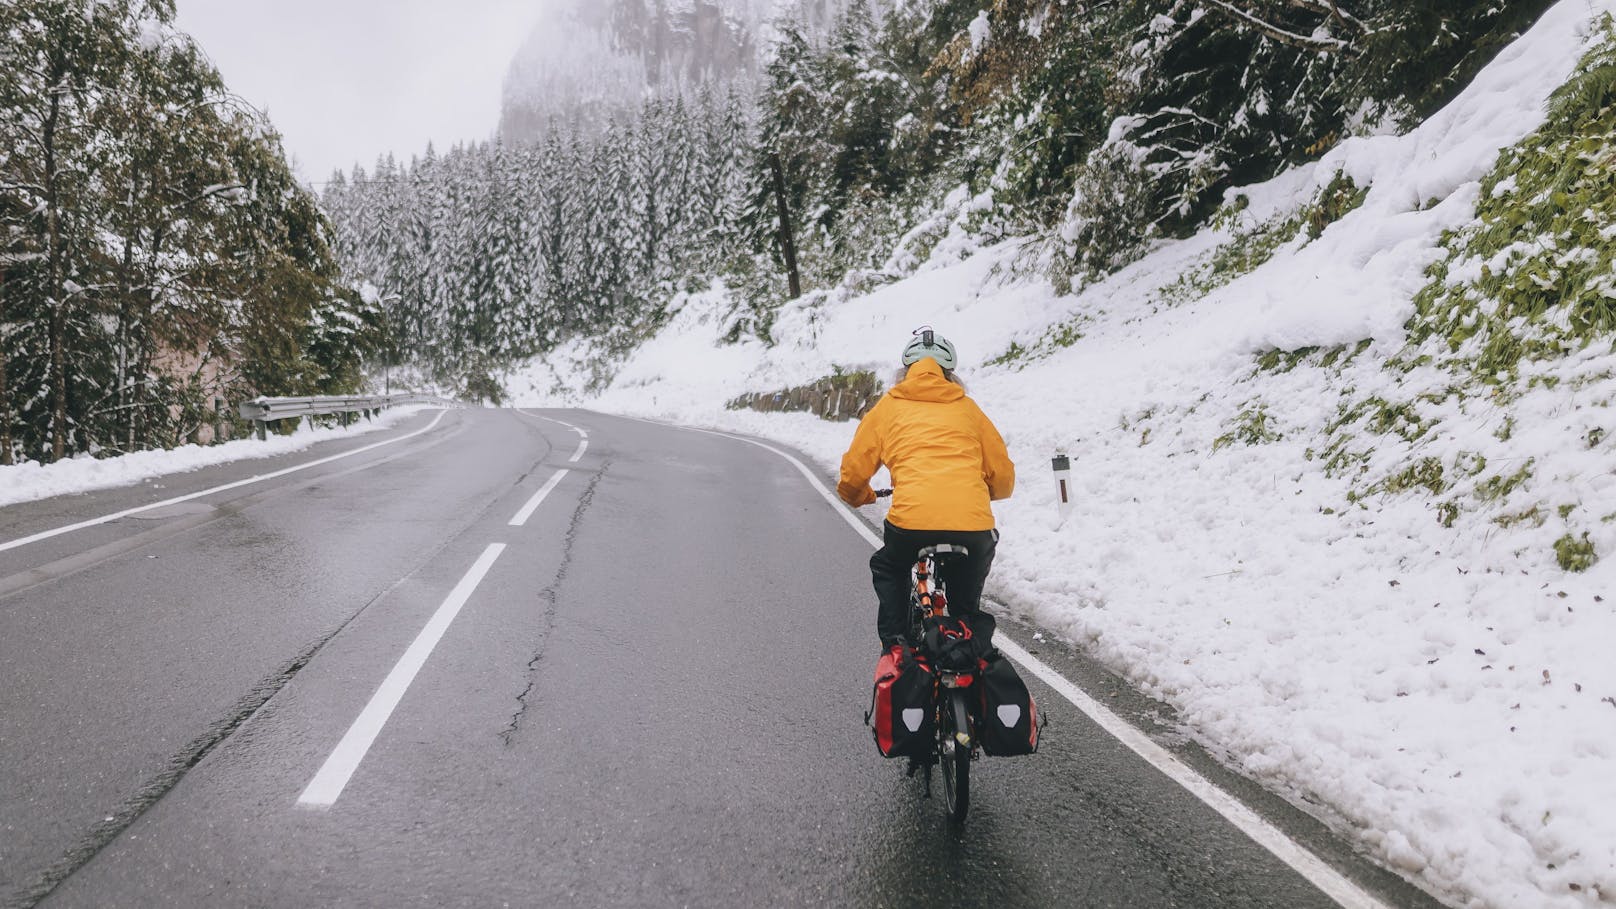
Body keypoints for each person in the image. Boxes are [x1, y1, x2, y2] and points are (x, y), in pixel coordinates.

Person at [837, 327, 1015, 652]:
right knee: (965, 608)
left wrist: (861, 496)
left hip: (911, 525)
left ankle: (896, 646)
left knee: (889, 566)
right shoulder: (969, 410)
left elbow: (852, 477)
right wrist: (976, 493)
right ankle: (967, 637)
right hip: (973, 527)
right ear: (950, 375)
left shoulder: (889, 406)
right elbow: (1003, 478)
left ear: (905, 371)